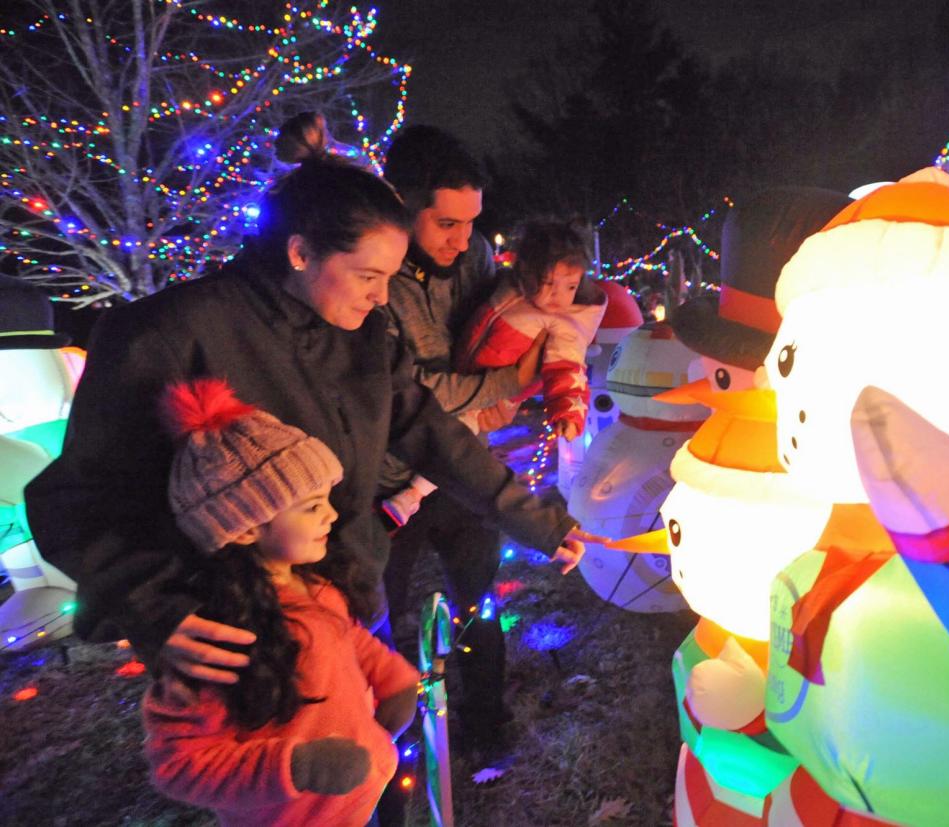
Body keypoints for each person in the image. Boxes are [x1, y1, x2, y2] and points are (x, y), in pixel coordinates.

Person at [24, 112, 597, 690]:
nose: (380, 300)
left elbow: (426, 426)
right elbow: (77, 500)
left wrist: (535, 519)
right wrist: (155, 605)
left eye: (390, 279)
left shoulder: (361, 334)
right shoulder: (167, 334)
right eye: (368, 277)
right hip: (243, 629)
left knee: (374, 754)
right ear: (300, 252)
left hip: (349, 599)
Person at [142, 377, 420, 827]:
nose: (332, 515)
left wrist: (392, 678)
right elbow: (179, 765)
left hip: (364, 794)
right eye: (312, 506)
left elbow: (343, 642)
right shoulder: (216, 637)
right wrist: (296, 767)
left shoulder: (315, 588)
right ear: (247, 526)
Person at [376, 125, 542, 752]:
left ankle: (483, 722)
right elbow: (408, 391)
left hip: (463, 461)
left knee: (479, 593)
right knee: (381, 612)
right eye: (446, 222)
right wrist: (501, 385)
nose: (462, 239)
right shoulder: (373, 278)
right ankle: (387, 738)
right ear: (401, 203)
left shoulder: (471, 259)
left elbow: (486, 344)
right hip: (389, 478)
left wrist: (500, 393)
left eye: (471, 222)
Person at [380, 219, 607, 526]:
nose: (559, 297)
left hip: (491, 400)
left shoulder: (561, 323)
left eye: (570, 287)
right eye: (548, 283)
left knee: (456, 442)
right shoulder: (508, 287)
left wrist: (567, 411)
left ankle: (411, 497)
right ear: (525, 272)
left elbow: (567, 369)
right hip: (469, 377)